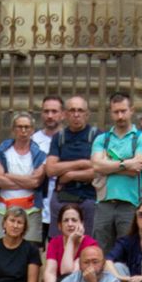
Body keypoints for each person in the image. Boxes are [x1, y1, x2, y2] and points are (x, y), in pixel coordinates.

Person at [89, 91, 142, 249]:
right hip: (104, 202)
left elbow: (136, 169)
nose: (120, 116)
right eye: (116, 112)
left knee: (128, 251)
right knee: (100, 251)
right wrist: (125, 164)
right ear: (111, 113)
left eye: (123, 111)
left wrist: (108, 165)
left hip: (130, 204)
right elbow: (96, 166)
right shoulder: (102, 139)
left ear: (132, 110)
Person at [45, 95, 99, 237]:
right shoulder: (59, 137)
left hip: (89, 198)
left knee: (87, 244)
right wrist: (82, 163)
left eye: (80, 110)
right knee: (58, 245)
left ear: (87, 114)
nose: (76, 114)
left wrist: (69, 175)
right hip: (63, 197)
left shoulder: (97, 136)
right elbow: (50, 169)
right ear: (65, 114)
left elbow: (99, 170)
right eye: (72, 110)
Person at [0, 111, 46, 246]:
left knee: (30, 251)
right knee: (0, 248)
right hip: (4, 209)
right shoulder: (2, 151)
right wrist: (26, 181)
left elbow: (36, 182)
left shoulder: (40, 154)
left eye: (27, 127)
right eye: (19, 127)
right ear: (13, 130)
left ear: (32, 130)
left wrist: (8, 175)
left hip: (31, 210)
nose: (23, 130)